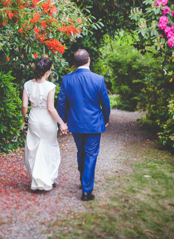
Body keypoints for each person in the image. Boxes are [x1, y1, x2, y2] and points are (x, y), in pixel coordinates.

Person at [57, 49, 111, 202]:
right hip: (94, 123)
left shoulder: (67, 80)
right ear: (89, 60)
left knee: (82, 151)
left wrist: (63, 121)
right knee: (91, 154)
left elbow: (61, 103)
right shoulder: (98, 79)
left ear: (75, 63)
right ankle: (86, 191)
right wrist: (106, 118)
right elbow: (105, 103)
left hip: (76, 123)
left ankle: (83, 180)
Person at [22, 57, 69, 191]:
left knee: (34, 149)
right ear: (47, 72)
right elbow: (50, 108)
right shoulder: (50, 86)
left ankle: (36, 179)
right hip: (47, 121)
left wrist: (24, 117)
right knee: (50, 148)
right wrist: (62, 123)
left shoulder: (27, 85)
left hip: (34, 119)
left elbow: (24, 105)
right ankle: (49, 178)